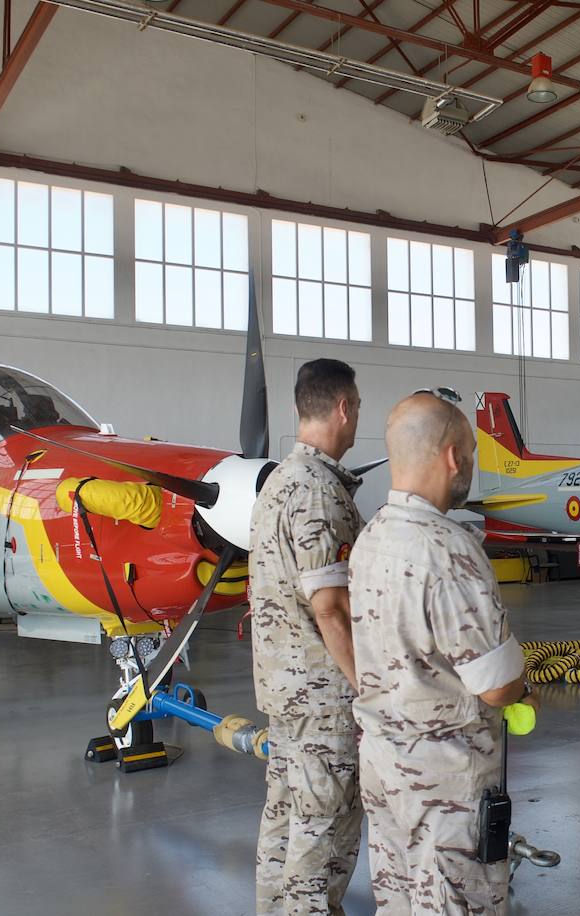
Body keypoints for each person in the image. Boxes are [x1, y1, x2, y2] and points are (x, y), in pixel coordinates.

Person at [348, 389, 537, 915]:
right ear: (454, 455)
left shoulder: (371, 537)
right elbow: (496, 684)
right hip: (444, 783)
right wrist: (525, 687)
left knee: (401, 903)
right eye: (471, 455)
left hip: (384, 766)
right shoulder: (448, 548)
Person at [250, 358, 365, 915]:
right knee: (324, 829)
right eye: (357, 407)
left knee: (286, 820)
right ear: (343, 408)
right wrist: (369, 687)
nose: (356, 418)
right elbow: (332, 608)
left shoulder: (277, 482)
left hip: (286, 690)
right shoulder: (319, 491)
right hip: (323, 697)